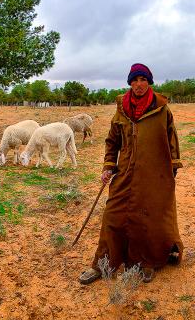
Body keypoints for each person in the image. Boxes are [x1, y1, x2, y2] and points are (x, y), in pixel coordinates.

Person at [79, 63, 183, 285]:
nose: (139, 84)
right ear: (129, 83)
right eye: (134, 80)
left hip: (154, 175)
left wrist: (171, 170)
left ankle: (147, 263)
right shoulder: (121, 109)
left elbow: (172, 140)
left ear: (149, 82)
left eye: (143, 80)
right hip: (125, 173)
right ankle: (102, 264)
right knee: (112, 216)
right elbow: (112, 141)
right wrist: (108, 165)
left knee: (150, 218)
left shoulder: (162, 109)